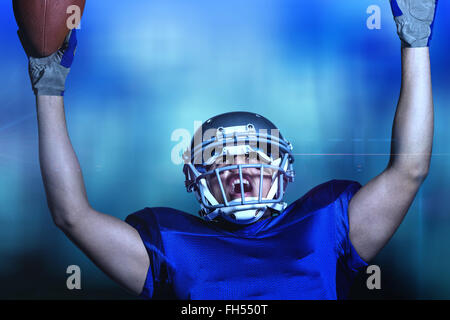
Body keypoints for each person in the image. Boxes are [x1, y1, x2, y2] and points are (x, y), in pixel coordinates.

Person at [18, 0, 437, 299]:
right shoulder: (172, 244)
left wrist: (415, 38)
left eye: (253, 157)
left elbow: (411, 168)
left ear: (282, 170)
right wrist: (49, 86)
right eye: (221, 160)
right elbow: (70, 215)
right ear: (195, 179)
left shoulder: (327, 224)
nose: (239, 171)